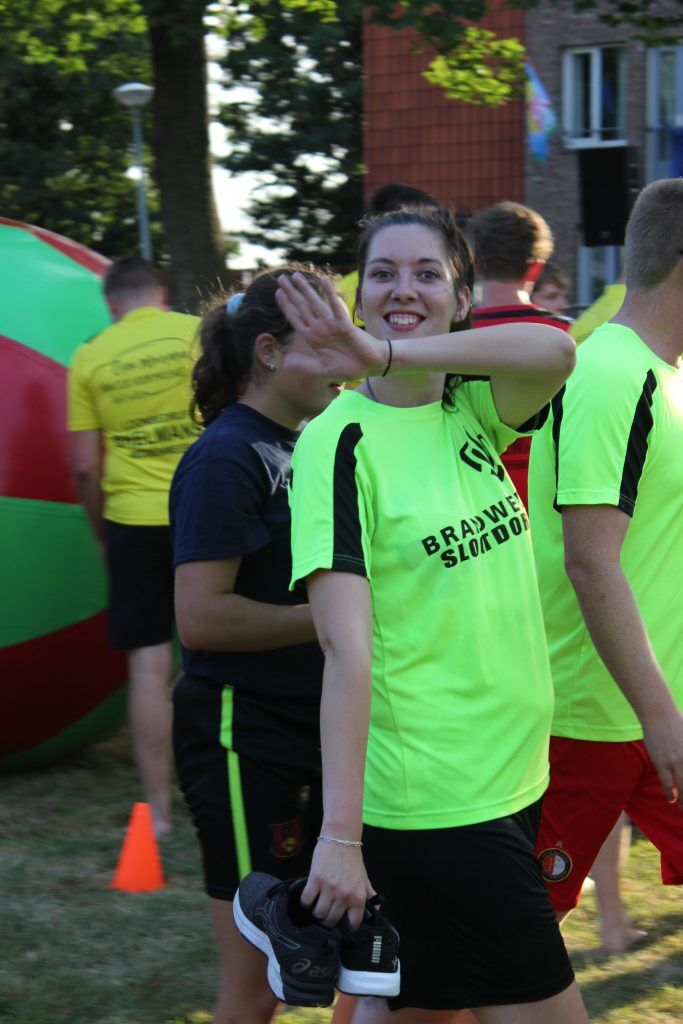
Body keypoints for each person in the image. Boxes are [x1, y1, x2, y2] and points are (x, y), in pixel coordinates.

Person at [277, 205, 586, 1023]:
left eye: (426, 274)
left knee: (421, 1009)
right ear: (358, 297)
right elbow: (343, 649)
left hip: (510, 777)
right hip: (434, 803)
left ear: (461, 298)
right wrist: (340, 838)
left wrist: (387, 352)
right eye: (382, 273)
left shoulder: (471, 409)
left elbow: (556, 351)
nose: (402, 289)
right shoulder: (338, 442)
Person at [169, 268, 353, 1024]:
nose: (346, 362)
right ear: (269, 352)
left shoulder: (309, 444)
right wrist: (335, 620)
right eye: (325, 346)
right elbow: (201, 619)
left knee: (347, 959)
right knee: (257, 988)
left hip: (312, 730)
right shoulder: (227, 456)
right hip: (243, 735)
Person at [528, 179, 683, 943]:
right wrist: (658, 717)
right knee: (501, 950)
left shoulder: (664, 375)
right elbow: (590, 562)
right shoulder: (609, 374)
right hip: (596, 718)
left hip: (654, 708)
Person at [67, 256, 200, 837]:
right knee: (223, 660)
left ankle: (160, 812)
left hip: (132, 522)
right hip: (205, 509)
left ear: (111, 304)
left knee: (149, 668)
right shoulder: (199, 333)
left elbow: (83, 467)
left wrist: (101, 530)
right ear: (161, 293)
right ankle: (226, 792)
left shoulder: (90, 356)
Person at [469, 202, 571, 509]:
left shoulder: (445, 340)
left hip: (471, 509)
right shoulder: (567, 337)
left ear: (475, 263)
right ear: (536, 267)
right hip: (550, 506)